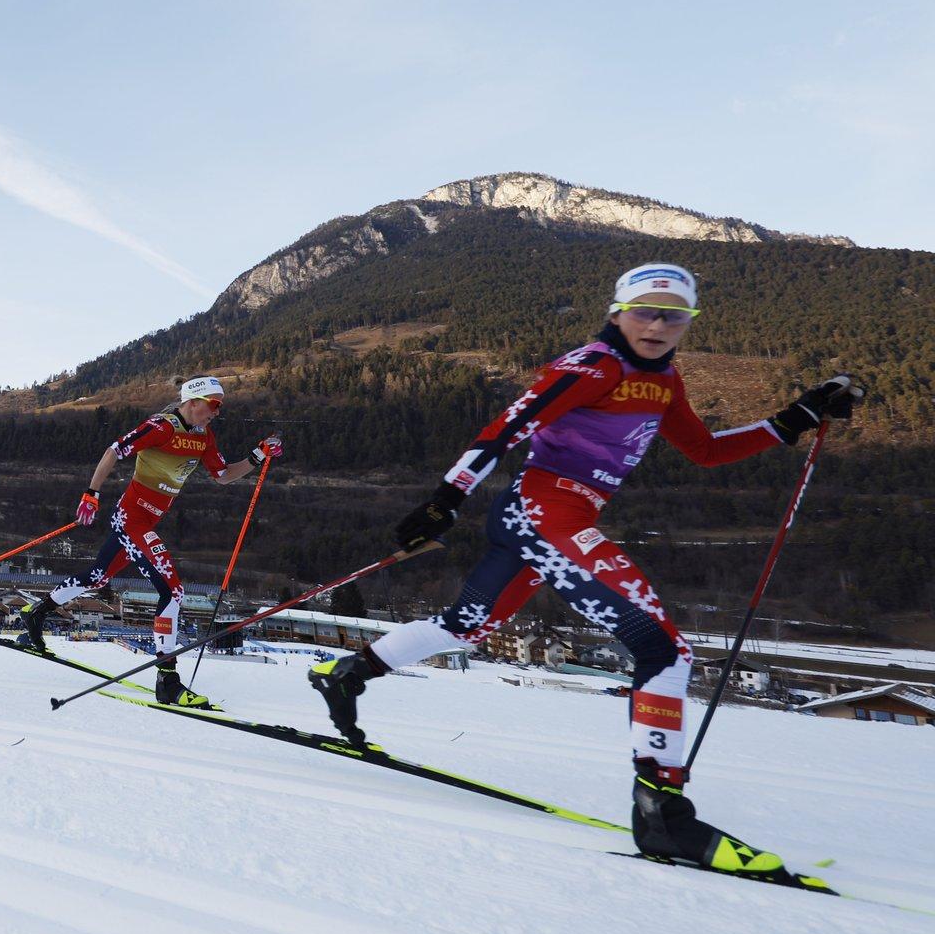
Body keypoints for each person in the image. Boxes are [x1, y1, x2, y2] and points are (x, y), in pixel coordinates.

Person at [308, 262, 862, 877]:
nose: (658, 325)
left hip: (544, 515)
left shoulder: (665, 380)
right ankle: (661, 817)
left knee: (466, 626)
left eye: (674, 315)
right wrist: (445, 499)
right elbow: (508, 427)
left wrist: (797, 418)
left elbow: (706, 451)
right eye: (646, 311)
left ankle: (347, 672)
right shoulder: (593, 365)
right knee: (664, 651)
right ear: (618, 311)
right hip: (545, 512)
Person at [18, 375, 282, 707]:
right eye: (213, 406)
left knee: (98, 577)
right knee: (172, 590)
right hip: (132, 519)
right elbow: (114, 450)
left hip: (145, 521)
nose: (215, 413)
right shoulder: (162, 427)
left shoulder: (204, 437)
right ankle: (167, 679)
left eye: (219, 408)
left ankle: (37, 614)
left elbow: (224, 475)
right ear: (192, 402)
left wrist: (258, 455)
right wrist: (91, 493)